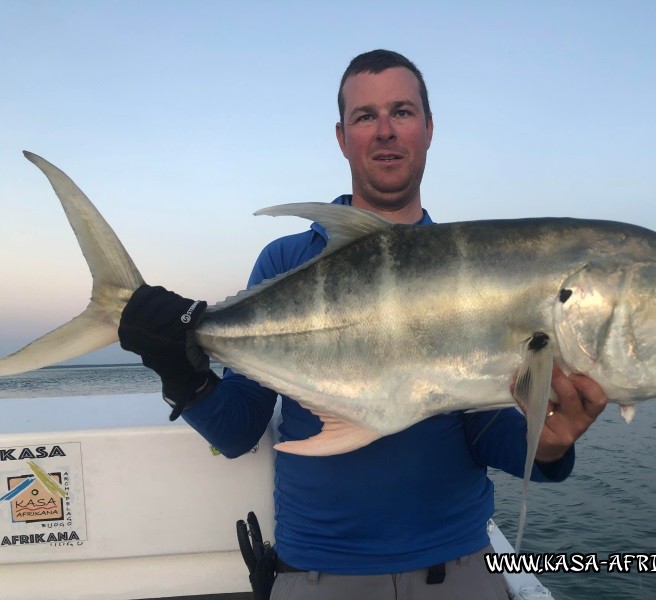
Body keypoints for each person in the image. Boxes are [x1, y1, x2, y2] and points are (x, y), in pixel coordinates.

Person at [118, 49, 607, 599]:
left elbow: (486, 431)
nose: (385, 131)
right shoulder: (286, 263)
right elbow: (237, 431)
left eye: (402, 111)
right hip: (317, 576)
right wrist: (182, 373)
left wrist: (547, 445)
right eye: (365, 116)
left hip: (460, 568)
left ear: (428, 128)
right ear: (341, 135)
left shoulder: (470, 273)